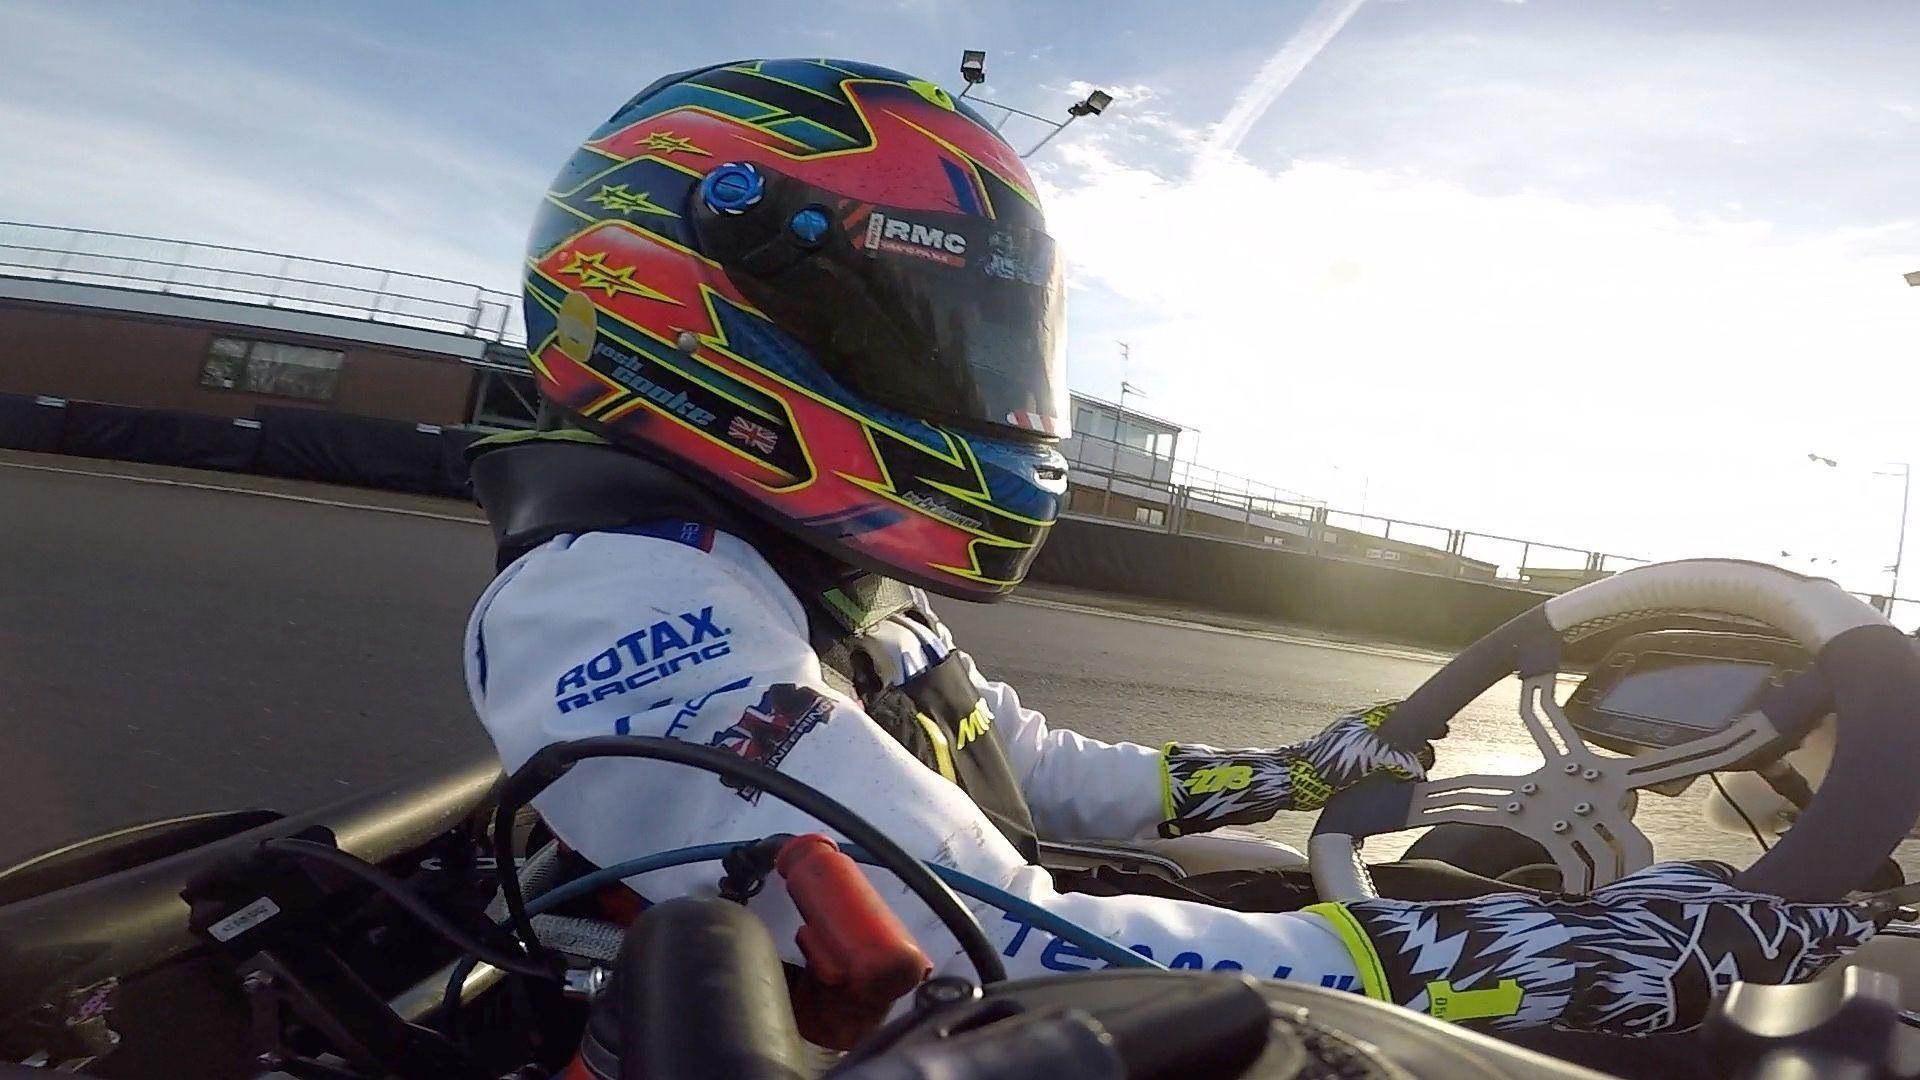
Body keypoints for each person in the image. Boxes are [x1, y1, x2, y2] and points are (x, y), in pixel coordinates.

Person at [463, 57, 1875, 1037]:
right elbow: (1016, 950)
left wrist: (1282, 774)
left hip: (972, 994)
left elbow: (1018, 766)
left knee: (1451, 868)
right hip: (958, 1016)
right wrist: (1538, 964)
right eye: (923, 326)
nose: (975, 377)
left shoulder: (772, 574)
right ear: (690, 296)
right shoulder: (614, 604)